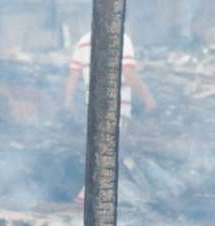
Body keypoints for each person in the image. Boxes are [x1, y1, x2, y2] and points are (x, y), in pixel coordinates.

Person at [64, 32, 157, 205]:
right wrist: (147, 97)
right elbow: (128, 71)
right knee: (108, 153)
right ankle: (87, 197)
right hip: (116, 107)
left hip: (91, 106)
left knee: (100, 151)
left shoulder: (84, 40)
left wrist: (68, 103)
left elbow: (73, 74)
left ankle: (93, 196)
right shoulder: (121, 37)